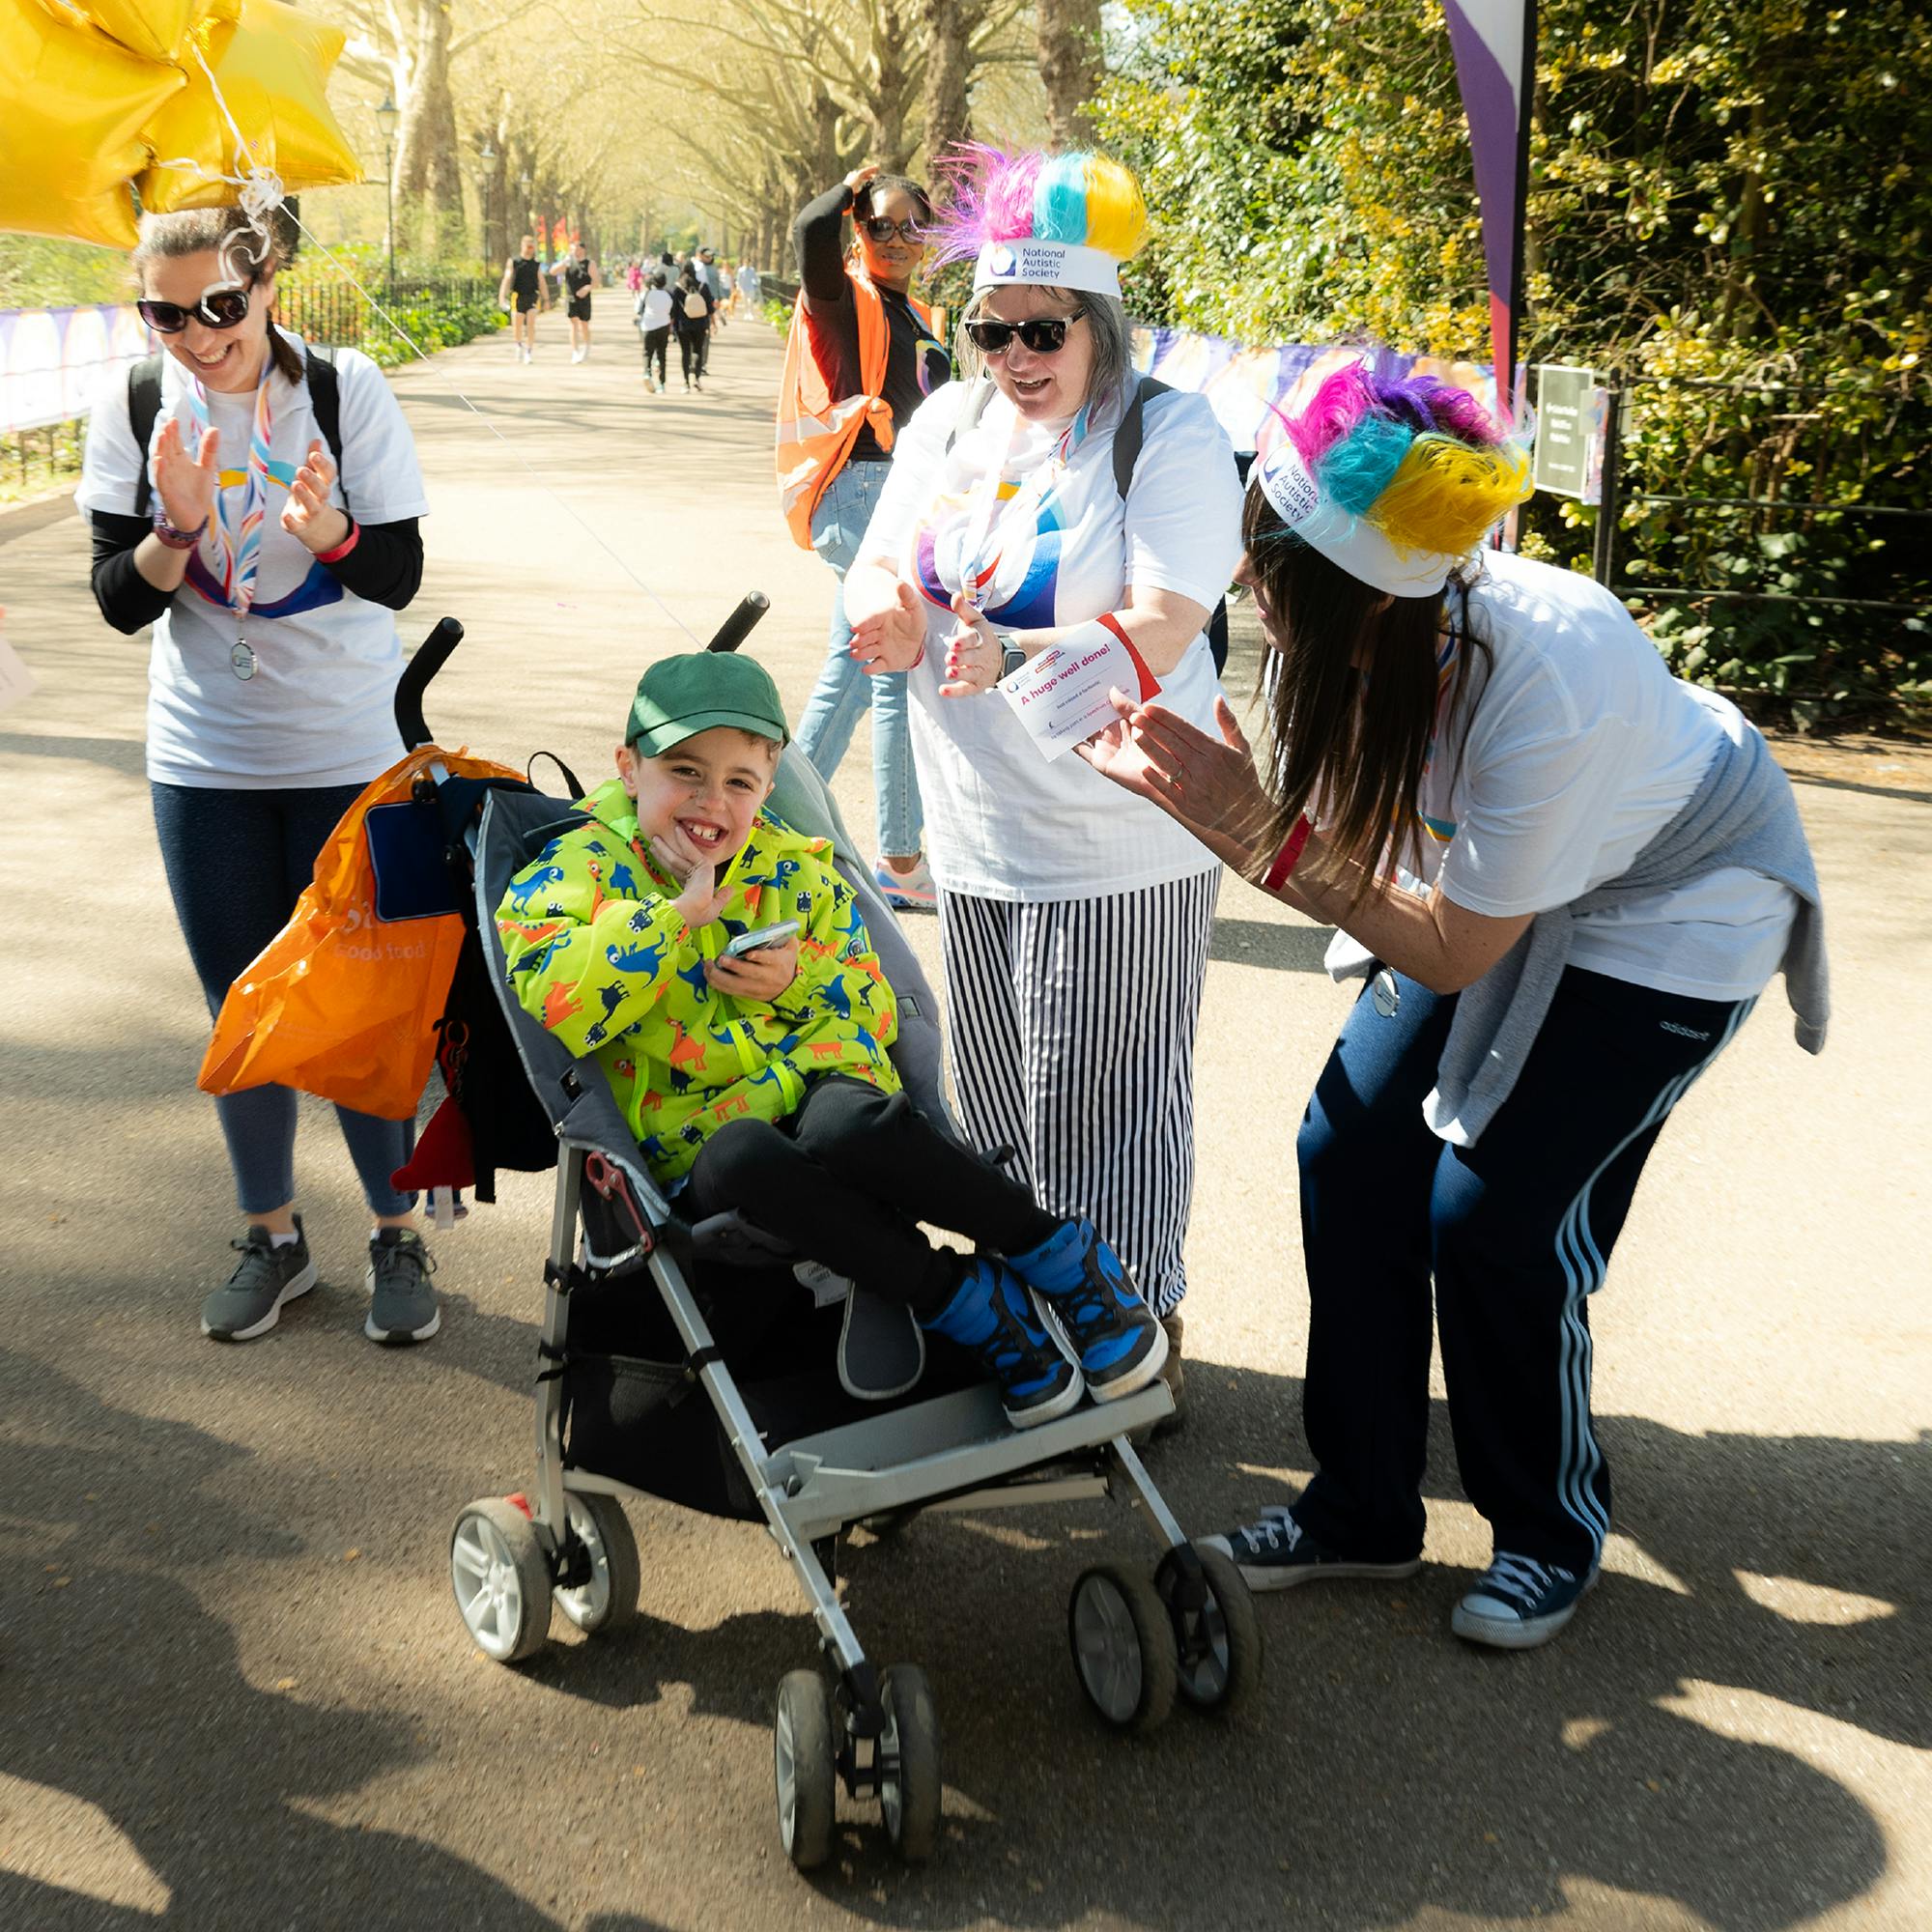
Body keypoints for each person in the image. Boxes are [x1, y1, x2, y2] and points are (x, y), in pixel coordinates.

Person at [1082, 360, 1828, 1647]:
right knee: (1349, 1148)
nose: (1247, 583)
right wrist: (1247, 800)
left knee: (1494, 1220)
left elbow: (1446, 954)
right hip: (1513, 896)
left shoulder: (1550, 674)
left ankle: (1548, 1528)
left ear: (1345, 590)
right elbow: (1398, 860)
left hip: (1676, 903)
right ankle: (1361, 1509)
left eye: (1265, 558)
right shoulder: (1352, 633)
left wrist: (1253, 831)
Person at [495, 651, 1167, 1428]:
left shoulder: (794, 868)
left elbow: (877, 1012)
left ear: (767, 787)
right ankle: (965, 1302)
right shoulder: (569, 871)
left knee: (847, 1119)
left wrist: (795, 984)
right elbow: (557, 999)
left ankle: (1061, 1256)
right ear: (629, 766)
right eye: (686, 772)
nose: (713, 802)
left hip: (827, 1103)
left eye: (740, 783)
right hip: (705, 1147)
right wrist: (673, 921)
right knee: (749, 1152)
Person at [838, 149, 1243, 1427]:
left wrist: (1009, 651)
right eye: (989, 328)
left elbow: (1169, 618)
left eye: (1040, 331)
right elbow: (884, 567)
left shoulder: (1161, 430)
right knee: (1003, 1109)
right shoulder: (954, 421)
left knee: (1113, 1103)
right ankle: (1050, 1334)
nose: (1013, 352)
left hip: (1121, 835)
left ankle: (1141, 1343)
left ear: (1099, 325)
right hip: (978, 831)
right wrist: (886, 620)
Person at [75, 204, 445, 1346]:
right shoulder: (137, 406)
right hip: (206, 756)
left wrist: (331, 529)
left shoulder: (345, 388)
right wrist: (176, 529)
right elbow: (117, 599)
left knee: (356, 1001)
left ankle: (396, 1232)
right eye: (167, 311)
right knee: (240, 1003)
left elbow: (398, 574)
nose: (196, 334)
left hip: (346, 749)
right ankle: (272, 1236)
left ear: (268, 282)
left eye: (220, 307)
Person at [781, 161, 952, 910]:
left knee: (848, 673)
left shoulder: (914, 312)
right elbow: (809, 232)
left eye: (913, 225)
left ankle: (768, 826)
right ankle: (900, 858)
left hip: (897, 498)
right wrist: (853, 185)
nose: (896, 238)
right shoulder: (844, 303)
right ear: (859, 226)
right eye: (878, 223)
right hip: (861, 492)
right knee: (895, 675)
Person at [498, 233, 547, 364]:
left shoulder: (536, 264)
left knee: (531, 323)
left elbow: (541, 281)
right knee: (518, 324)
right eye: (527, 246)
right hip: (517, 295)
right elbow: (507, 278)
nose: (529, 249)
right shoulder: (514, 262)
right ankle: (519, 345)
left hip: (532, 295)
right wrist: (501, 297)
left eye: (532, 247)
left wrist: (546, 298)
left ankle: (529, 351)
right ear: (522, 246)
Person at [672, 264, 714, 391]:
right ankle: (696, 379)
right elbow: (710, 308)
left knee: (685, 353)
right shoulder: (703, 287)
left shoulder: (678, 288)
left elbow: (674, 310)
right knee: (698, 351)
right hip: (700, 325)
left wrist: (672, 326)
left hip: (683, 326)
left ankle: (685, 383)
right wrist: (711, 323)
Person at [556, 241, 600, 363]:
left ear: (582, 250)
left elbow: (596, 281)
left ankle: (586, 347)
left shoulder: (590, 264)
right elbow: (552, 271)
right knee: (573, 323)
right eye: (572, 249)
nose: (575, 252)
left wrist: (587, 288)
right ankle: (575, 352)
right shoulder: (568, 263)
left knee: (584, 325)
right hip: (571, 297)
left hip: (584, 299)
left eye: (577, 249)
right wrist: (563, 263)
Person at [635, 270, 673, 393]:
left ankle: (647, 373)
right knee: (662, 354)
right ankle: (661, 384)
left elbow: (637, 309)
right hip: (663, 326)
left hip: (648, 326)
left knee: (647, 352)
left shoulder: (646, 294)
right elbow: (671, 311)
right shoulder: (668, 295)